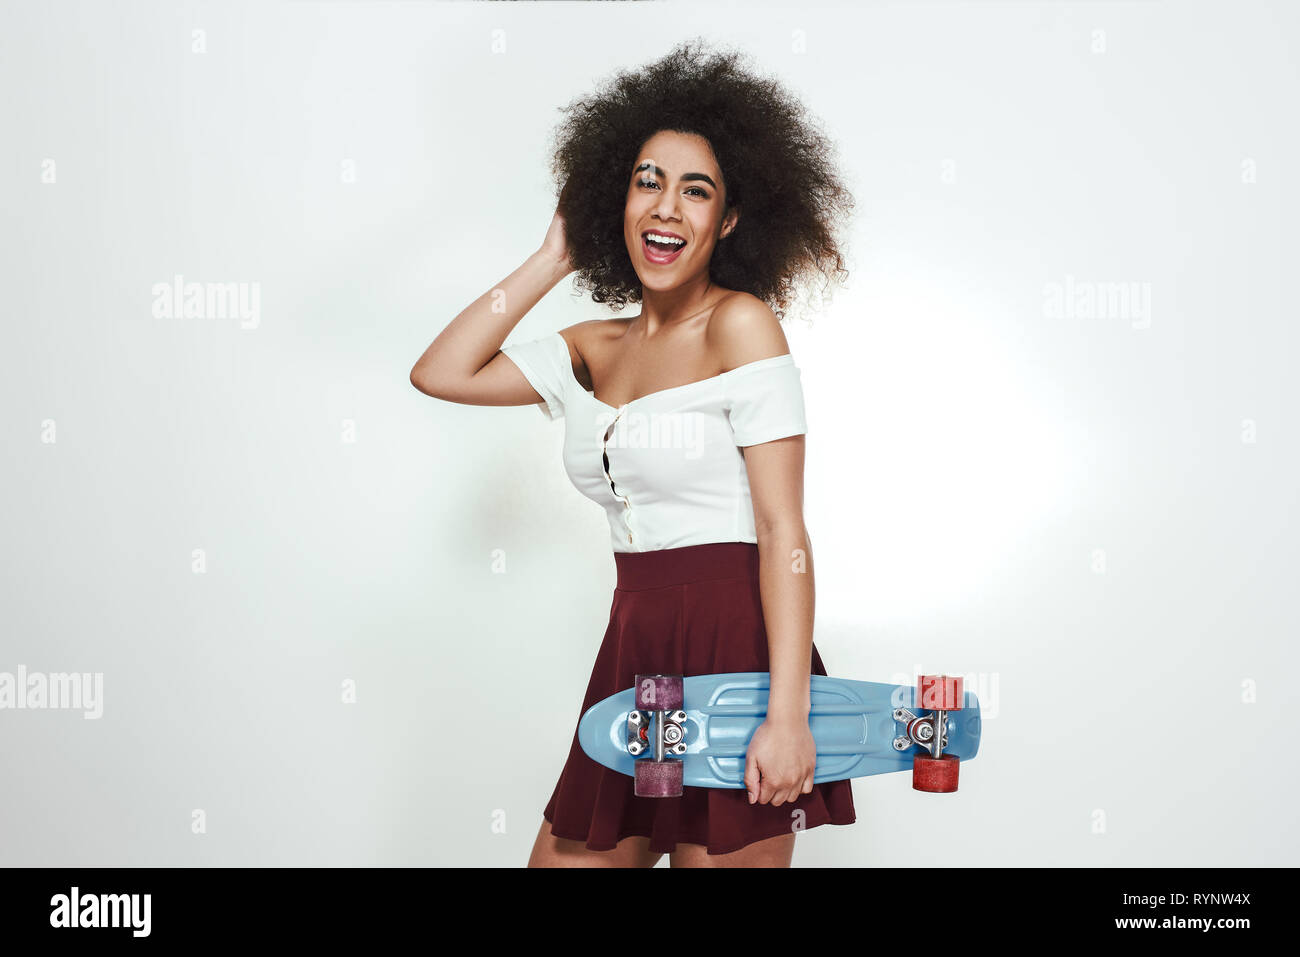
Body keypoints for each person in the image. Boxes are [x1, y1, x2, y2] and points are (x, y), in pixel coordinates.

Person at [410, 39, 856, 867]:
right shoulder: (593, 346)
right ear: (616, 197)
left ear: (726, 222)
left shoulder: (740, 325)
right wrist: (551, 257)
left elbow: (782, 528)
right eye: (647, 180)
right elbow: (441, 371)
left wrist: (788, 713)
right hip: (633, 655)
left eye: (697, 191)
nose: (666, 207)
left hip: (739, 656)